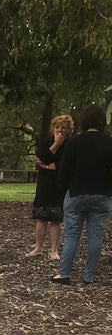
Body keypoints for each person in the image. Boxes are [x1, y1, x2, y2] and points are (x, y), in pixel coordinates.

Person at [51, 103, 112, 285]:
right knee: (95, 236)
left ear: (83, 120)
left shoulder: (74, 142)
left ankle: (64, 274)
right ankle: (89, 276)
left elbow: (64, 171)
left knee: (72, 234)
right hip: (101, 195)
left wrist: (63, 188)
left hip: (76, 193)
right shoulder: (109, 142)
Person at [27, 115, 73, 260]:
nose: (59, 130)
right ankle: (38, 247)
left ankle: (54, 250)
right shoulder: (45, 142)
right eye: (57, 127)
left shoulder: (70, 145)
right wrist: (55, 145)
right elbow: (42, 157)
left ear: (68, 130)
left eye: (63, 128)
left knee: (55, 219)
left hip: (59, 186)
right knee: (41, 218)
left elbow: (66, 164)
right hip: (44, 184)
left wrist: (49, 165)